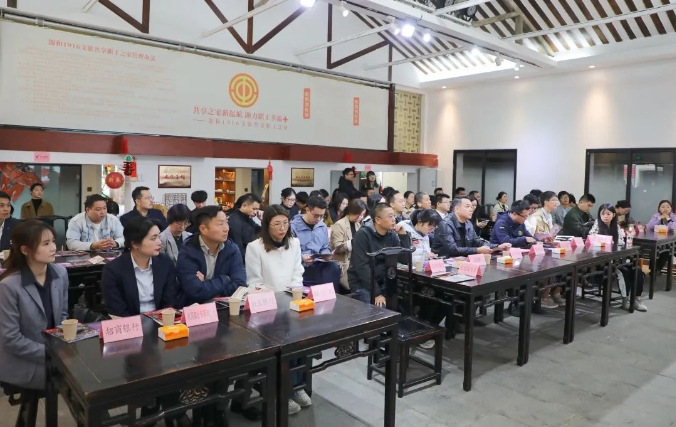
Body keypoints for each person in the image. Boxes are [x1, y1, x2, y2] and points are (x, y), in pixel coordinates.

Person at [0, 220, 68, 390]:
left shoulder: (60, 273)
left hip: (55, 353)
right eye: (46, 244)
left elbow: (63, 316)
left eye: (53, 241)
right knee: (78, 382)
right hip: (24, 361)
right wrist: (51, 353)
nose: (53, 248)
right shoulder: (8, 286)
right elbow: (11, 339)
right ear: (25, 250)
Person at [102, 218, 180, 316]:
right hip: (129, 322)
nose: (159, 242)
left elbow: (170, 300)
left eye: (159, 237)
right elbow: (117, 308)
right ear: (135, 243)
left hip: (161, 320)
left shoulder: (165, 263)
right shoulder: (113, 270)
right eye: (153, 238)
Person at [176, 206, 246, 305]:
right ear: (203, 229)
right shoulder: (188, 251)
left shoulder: (232, 249)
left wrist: (206, 284)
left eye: (226, 222)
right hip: (195, 308)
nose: (226, 228)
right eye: (220, 224)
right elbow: (194, 290)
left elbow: (240, 284)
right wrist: (226, 279)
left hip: (224, 307)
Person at [348, 203, 411, 307]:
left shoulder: (391, 235)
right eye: (390, 216)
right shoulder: (363, 234)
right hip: (363, 284)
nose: (394, 219)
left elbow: (404, 260)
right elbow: (362, 267)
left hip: (384, 281)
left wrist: (403, 236)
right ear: (377, 220)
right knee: (378, 308)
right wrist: (376, 293)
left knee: (407, 299)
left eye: (394, 216)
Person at [589, 204, 647, 311]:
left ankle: (636, 299)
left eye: (608, 214)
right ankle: (625, 299)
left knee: (638, 270)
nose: (605, 216)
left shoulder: (617, 226)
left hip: (618, 258)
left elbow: (621, 243)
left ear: (613, 215)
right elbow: (591, 241)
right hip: (604, 261)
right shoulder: (597, 225)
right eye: (603, 214)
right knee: (624, 271)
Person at [246, 205, 304, 292]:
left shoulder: (295, 243)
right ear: (267, 225)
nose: (282, 228)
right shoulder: (254, 247)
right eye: (277, 224)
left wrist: (293, 291)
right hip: (267, 297)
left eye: (285, 223)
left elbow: (297, 273)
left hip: (292, 295)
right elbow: (254, 282)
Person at [291, 196, 342, 291]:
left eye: (322, 216)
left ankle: (331, 296)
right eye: (316, 215)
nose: (318, 219)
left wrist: (326, 255)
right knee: (323, 276)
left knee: (334, 267)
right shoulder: (293, 226)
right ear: (307, 210)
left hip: (318, 262)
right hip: (302, 265)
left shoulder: (322, 226)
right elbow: (290, 252)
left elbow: (325, 247)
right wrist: (302, 257)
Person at [432, 196, 510, 257]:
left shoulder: (468, 223)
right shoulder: (445, 224)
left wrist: (497, 247)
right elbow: (452, 250)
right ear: (457, 209)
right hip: (444, 262)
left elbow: (477, 241)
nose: (471, 209)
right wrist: (477, 250)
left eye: (471, 207)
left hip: (461, 260)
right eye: (467, 206)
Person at [525, 191, 564, 308]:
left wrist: (549, 238)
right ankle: (544, 296)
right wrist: (542, 238)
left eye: (557, 200)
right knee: (550, 265)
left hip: (544, 247)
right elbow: (530, 237)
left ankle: (554, 292)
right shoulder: (535, 217)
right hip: (534, 250)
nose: (556, 202)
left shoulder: (549, 215)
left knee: (561, 264)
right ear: (546, 202)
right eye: (554, 200)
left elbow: (548, 233)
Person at [330, 200, 367, 293]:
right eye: (360, 215)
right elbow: (336, 247)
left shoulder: (358, 224)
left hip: (355, 263)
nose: (361, 217)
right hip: (343, 264)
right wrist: (352, 243)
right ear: (352, 212)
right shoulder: (340, 224)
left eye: (363, 215)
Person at [227, 193, 262, 263]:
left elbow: (260, 231)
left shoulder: (247, 218)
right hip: (241, 261)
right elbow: (238, 248)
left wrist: (263, 220)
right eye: (254, 209)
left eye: (257, 209)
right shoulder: (234, 221)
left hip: (250, 256)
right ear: (244, 206)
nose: (255, 212)